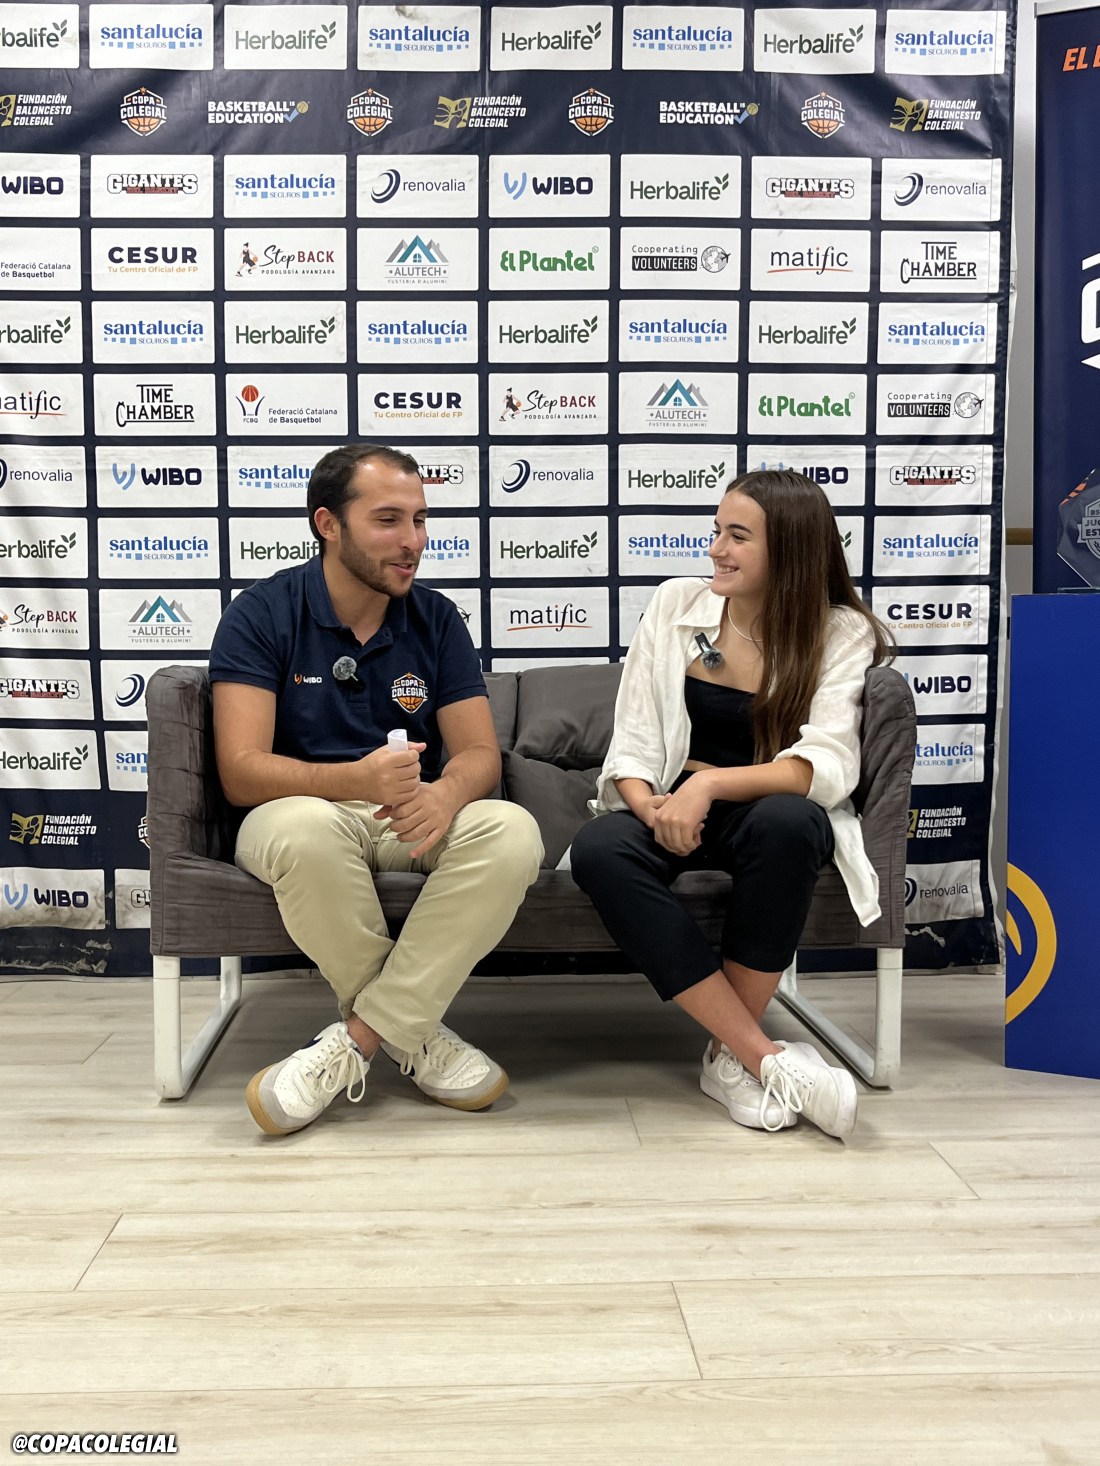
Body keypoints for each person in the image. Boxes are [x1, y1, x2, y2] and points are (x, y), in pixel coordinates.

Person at [209, 444, 543, 1136]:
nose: (413, 540)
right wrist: (352, 780)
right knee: (306, 828)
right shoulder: (261, 613)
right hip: (296, 813)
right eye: (389, 520)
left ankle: (359, 1039)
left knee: (512, 832)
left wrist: (446, 795)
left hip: (407, 815)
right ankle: (415, 1035)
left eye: (420, 520)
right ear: (328, 524)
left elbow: (480, 753)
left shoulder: (436, 617)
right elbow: (240, 771)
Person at [570, 470, 892, 1140]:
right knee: (599, 848)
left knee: (792, 823)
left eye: (737, 536)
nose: (716, 548)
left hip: (759, 807)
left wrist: (710, 786)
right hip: (669, 804)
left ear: (791, 549)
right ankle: (759, 1056)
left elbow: (826, 764)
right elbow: (632, 745)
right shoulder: (675, 604)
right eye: (717, 531)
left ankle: (729, 1055)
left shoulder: (841, 631)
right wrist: (655, 810)